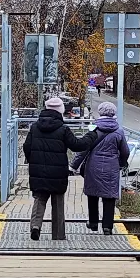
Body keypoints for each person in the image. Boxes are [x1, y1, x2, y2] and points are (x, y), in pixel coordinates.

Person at [23, 96, 97, 241]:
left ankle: (35, 226)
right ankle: (58, 235)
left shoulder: (35, 127)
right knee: (58, 202)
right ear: (60, 111)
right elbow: (77, 145)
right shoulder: (63, 129)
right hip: (58, 172)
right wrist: (91, 135)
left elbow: (26, 146)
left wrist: (33, 161)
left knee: (39, 199)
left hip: (38, 171)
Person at [72, 101, 129, 236]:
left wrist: (73, 165)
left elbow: (83, 150)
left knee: (93, 194)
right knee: (109, 197)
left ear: (100, 113)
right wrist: (120, 163)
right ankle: (107, 226)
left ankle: (93, 222)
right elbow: (125, 152)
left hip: (93, 167)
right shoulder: (119, 132)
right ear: (113, 114)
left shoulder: (93, 130)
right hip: (111, 167)